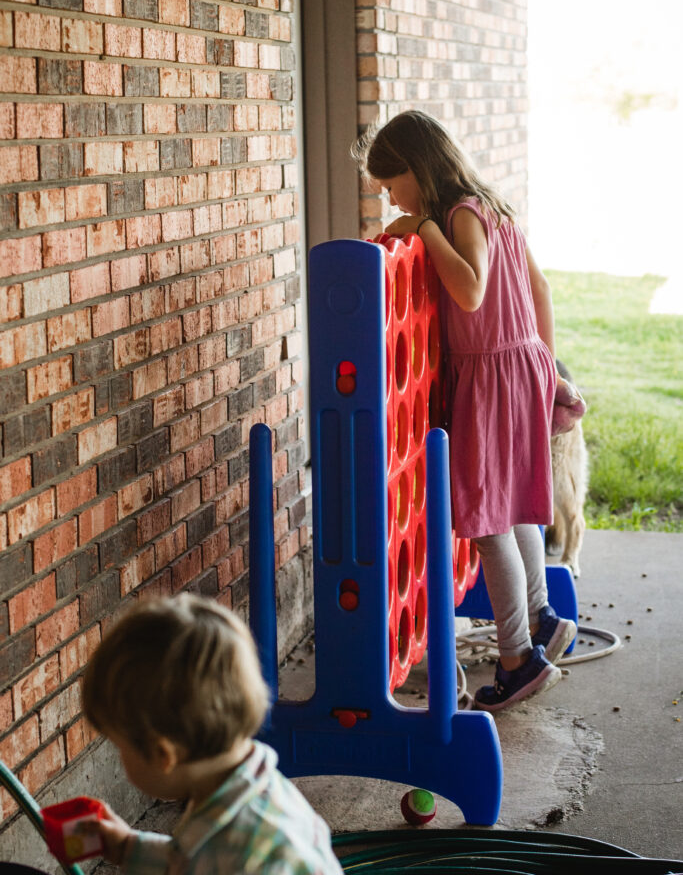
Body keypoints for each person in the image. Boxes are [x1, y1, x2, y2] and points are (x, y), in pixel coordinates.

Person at [353, 110, 578, 712]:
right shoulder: (494, 206)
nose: (386, 195)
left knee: (483, 521)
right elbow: (542, 289)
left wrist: (424, 229)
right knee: (513, 503)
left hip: (491, 377)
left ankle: (518, 660)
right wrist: (546, 369)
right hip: (520, 367)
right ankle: (542, 618)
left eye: (389, 181)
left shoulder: (458, 215)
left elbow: (472, 289)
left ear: (416, 171)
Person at [80, 593, 343, 874]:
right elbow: (193, 862)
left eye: (120, 747)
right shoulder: (232, 794)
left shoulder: (260, 858)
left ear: (162, 754)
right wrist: (127, 847)